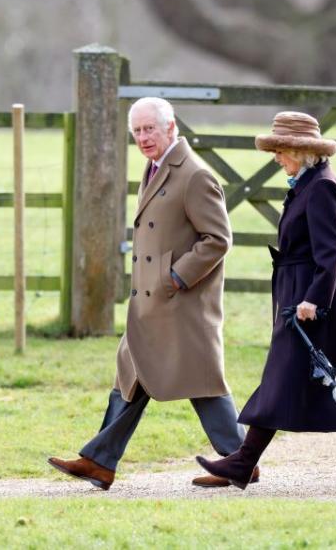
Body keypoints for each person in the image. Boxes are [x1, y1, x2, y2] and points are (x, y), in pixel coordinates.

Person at [48, 97, 256, 490]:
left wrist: (175, 277)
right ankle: (100, 461)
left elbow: (218, 239)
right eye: (137, 131)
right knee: (131, 374)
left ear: (171, 127)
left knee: (202, 381)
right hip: (152, 304)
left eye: (149, 129)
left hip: (180, 304)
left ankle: (238, 461)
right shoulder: (156, 167)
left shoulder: (194, 174)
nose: (142, 138)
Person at [195, 111, 336, 489]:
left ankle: (243, 462)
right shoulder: (310, 182)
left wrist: (313, 302)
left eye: (280, 150)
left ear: (300, 152)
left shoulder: (321, 187)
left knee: (296, 374)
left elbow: (331, 251)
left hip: (316, 297)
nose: (276, 158)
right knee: (308, 376)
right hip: (305, 290)